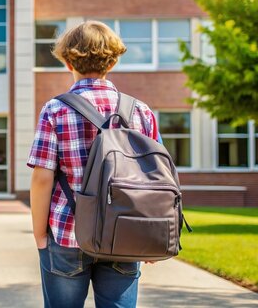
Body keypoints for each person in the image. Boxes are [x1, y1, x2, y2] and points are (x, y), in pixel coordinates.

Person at [28, 21, 161, 308]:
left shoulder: (55, 109)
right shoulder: (141, 111)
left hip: (67, 232)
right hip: (125, 233)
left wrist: (40, 234)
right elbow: (156, 178)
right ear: (113, 61)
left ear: (67, 61)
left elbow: (42, 178)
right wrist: (151, 234)